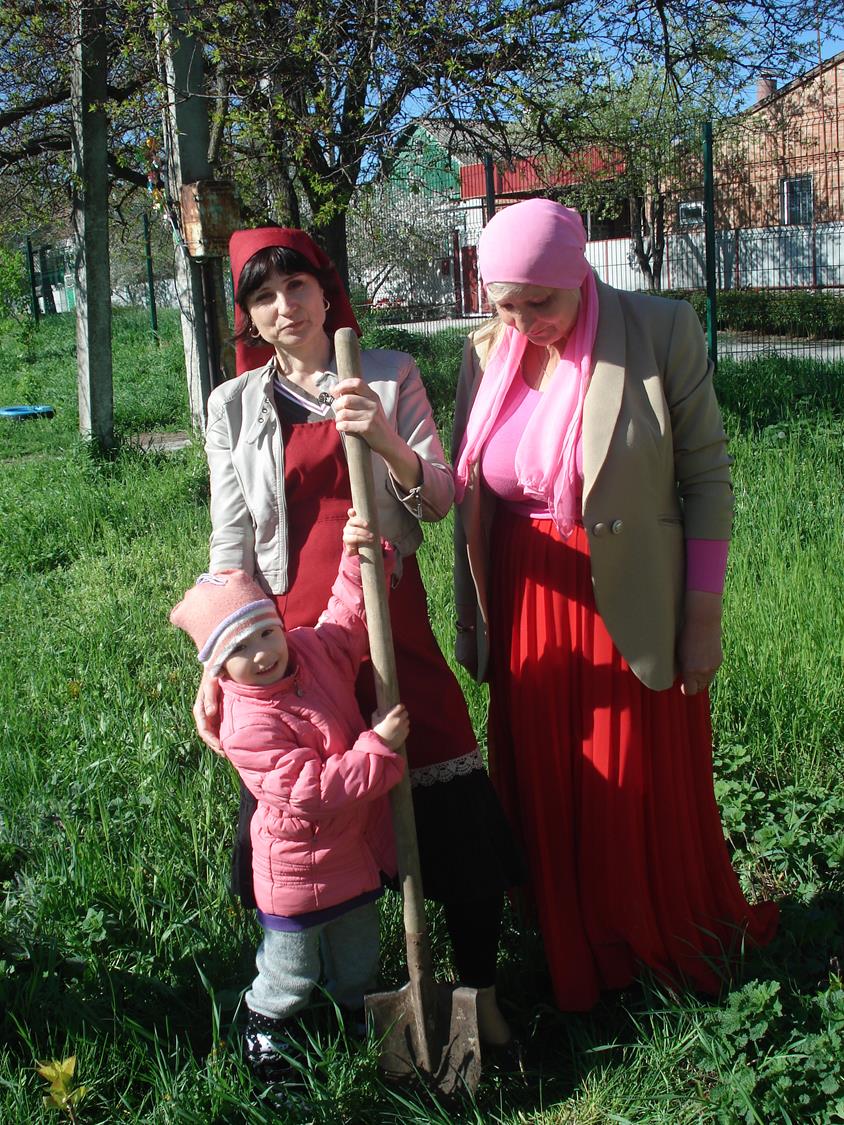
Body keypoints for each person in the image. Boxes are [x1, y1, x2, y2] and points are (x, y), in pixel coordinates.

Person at [194, 224, 525, 1048]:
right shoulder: (233, 405)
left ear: (325, 289)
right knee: (303, 816)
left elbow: (440, 495)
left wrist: (381, 436)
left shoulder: (387, 372)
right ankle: (307, 994)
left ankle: (478, 993)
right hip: (285, 647)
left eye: (296, 286)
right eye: (263, 297)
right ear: (248, 316)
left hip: (386, 618)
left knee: (446, 784)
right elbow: (230, 547)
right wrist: (216, 664)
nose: (284, 307)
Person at [452, 198, 778, 1012]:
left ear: (578, 274)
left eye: (540, 302)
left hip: (629, 599)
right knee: (551, 776)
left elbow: (707, 481)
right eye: (506, 304)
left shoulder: (660, 331)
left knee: (628, 778)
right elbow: (464, 497)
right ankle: (562, 938)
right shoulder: (485, 350)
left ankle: (642, 940)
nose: (524, 323)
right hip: (529, 598)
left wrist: (702, 617)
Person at [171, 512, 407, 1087]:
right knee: (291, 970)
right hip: (297, 874)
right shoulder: (247, 724)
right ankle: (265, 1029)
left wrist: (359, 559)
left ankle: (355, 1014)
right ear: (217, 668)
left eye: (264, 632)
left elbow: (346, 623)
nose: (261, 652)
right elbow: (312, 791)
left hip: (352, 855)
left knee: (359, 954)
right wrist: (377, 748)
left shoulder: (307, 652)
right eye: (239, 647)